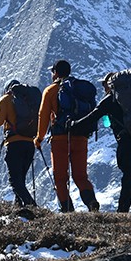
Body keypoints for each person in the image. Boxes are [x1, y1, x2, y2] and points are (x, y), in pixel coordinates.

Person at [70, 72, 131, 214]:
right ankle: (122, 210)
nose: (104, 89)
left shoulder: (111, 99)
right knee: (129, 176)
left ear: (111, 85)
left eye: (104, 86)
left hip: (127, 142)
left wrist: (73, 125)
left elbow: (94, 116)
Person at [34, 59, 100, 212]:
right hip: (81, 136)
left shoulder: (51, 91)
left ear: (55, 73)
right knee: (81, 176)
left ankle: (67, 209)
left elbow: (43, 116)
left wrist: (39, 138)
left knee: (60, 178)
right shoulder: (79, 89)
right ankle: (92, 203)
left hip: (60, 139)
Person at [0, 80, 38, 207]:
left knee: (15, 180)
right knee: (21, 178)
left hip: (14, 143)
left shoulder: (5, 100)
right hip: (29, 143)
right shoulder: (29, 100)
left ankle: (32, 205)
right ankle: (18, 206)